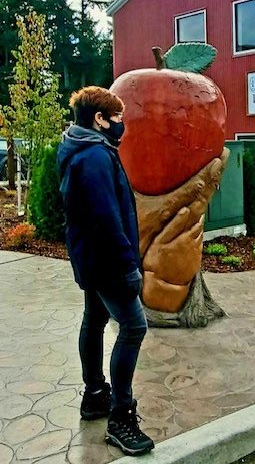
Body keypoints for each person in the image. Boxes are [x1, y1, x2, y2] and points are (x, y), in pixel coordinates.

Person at [57, 86, 154, 456]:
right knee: (133, 326)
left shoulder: (75, 147)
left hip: (90, 258)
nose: (121, 125)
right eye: (117, 119)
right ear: (99, 119)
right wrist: (128, 265)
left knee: (94, 318)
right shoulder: (95, 155)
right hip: (108, 260)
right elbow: (105, 217)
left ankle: (95, 394)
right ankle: (120, 418)